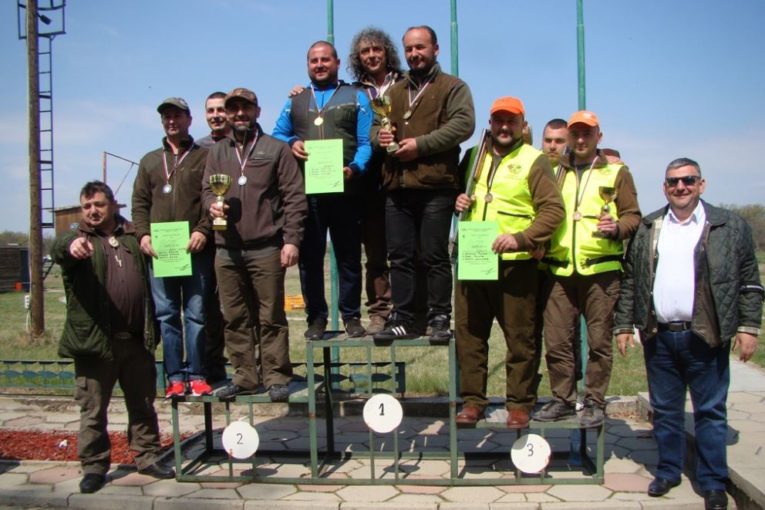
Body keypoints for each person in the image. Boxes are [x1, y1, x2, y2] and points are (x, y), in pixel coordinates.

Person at [614, 158, 763, 509]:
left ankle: (712, 482)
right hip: (660, 335)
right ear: (664, 187)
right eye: (673, 182)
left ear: (701, 184)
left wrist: (747, 327)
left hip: (706, 335)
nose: (680, 187)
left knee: (710, 411)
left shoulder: (729, 225)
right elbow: (632, 280)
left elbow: (749, 281)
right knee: (665, 410)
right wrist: (624, 325)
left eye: (688, 180)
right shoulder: (650, 226)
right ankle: (667, 471)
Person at [51, 181, 175, 494]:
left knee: (143, 403)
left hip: (135, 339)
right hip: (95, 344)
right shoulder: (78, 238)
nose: (92, 211)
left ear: (113, 205)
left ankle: (147, 456)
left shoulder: (133, 237)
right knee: (93, 409)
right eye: (87, 206)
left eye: (99, 205)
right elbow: (60, 248)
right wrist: (70, 247)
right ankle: (93, 467)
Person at [453, 97, 564, 428]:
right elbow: (455, 195)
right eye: (498, 120)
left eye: (511, 121)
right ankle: (473, 401)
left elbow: (553, 211)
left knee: (520, 337)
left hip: (516, 264)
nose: (504, 127)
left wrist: (522, 238)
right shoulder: (473, 157)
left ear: (522, 125)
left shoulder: (535, 160)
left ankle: (519, 403)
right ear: (490, 122)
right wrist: (456, 199)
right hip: (474, 259)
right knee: (469, 336)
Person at [535, 110, 641, 427]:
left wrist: (618, 228)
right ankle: (563, 399)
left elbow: (634, 217)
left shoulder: (617, 172)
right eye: (576, 134)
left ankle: (595, 402)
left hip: (601, 272)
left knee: (599, 343)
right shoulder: (554, 171)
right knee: (556, 342)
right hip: (560, 270)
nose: (581, 140)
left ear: (599, 136)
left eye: (587, 134)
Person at [372, 25, 476, 342]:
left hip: (436, 187)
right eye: (409, 49)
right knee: (400, 256)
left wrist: (420, 145)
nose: (415, 54)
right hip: (397, 187)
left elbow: (463, 124)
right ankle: (403, 317)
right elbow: (375, 129)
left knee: (434, 255)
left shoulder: (452, 87)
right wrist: (382, 137)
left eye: (421, 47)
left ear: (435, 49)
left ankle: (439, 317)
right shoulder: (393, 91)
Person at [204, 87, 307, 401]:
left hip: (266, 247)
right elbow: (207, 191)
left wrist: (292, 241)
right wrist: (211, 205)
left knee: (271, 316)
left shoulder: (275, 149)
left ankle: (276, 376)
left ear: (257, 111)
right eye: (233, 108)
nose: (239, 114)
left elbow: (294, 197)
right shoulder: (217, 152)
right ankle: (246, 376)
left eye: (245, 108)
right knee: (234, 317)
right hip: (227, 249)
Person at [273, 41, 372, 340]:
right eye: (314, 60)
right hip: (308, 193)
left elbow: (366, 142)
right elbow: (278, 133)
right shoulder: (296, 100)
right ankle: (316, 318)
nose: (319, 65)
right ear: (307, 65)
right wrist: (292, 142)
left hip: (347, 190)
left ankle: (351, 317)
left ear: (337, 62)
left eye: (325, 60)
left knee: (349, 257)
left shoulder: (356, 96)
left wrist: (354, 168)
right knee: (310, 259)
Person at [132, 97, 213, 397]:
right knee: (166, 315)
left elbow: (212, 199)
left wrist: (204, 230)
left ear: (189, 120)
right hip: (160, 252)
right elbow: (139, 203)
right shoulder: (150, 161)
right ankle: (175, 377)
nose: (171, 121)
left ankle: (198, 374)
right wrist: (143, 235)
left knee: (196, 314)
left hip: (195, 250)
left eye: (177, 116)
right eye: (166, 116)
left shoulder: (203, 157)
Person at [347, 27, 403, 335]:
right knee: (376, 251)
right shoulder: (352, 91)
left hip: (405, 173)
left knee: (408, 249)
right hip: (368, 181)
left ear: (387, 52)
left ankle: (410, 310)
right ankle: (380, 311)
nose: (371, 56)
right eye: (365, 52)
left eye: (376, 50)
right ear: (358, 58)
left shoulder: (407, 83)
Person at [196, 91, 230, 383]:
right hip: (206, 238)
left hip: (239, 233)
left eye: (221, 109)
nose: (216, 115)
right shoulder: (197, 148)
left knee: (244, 305)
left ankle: (254, 364)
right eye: (211, 110)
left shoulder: (245, 143)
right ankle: (213, 366)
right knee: (209, 306)